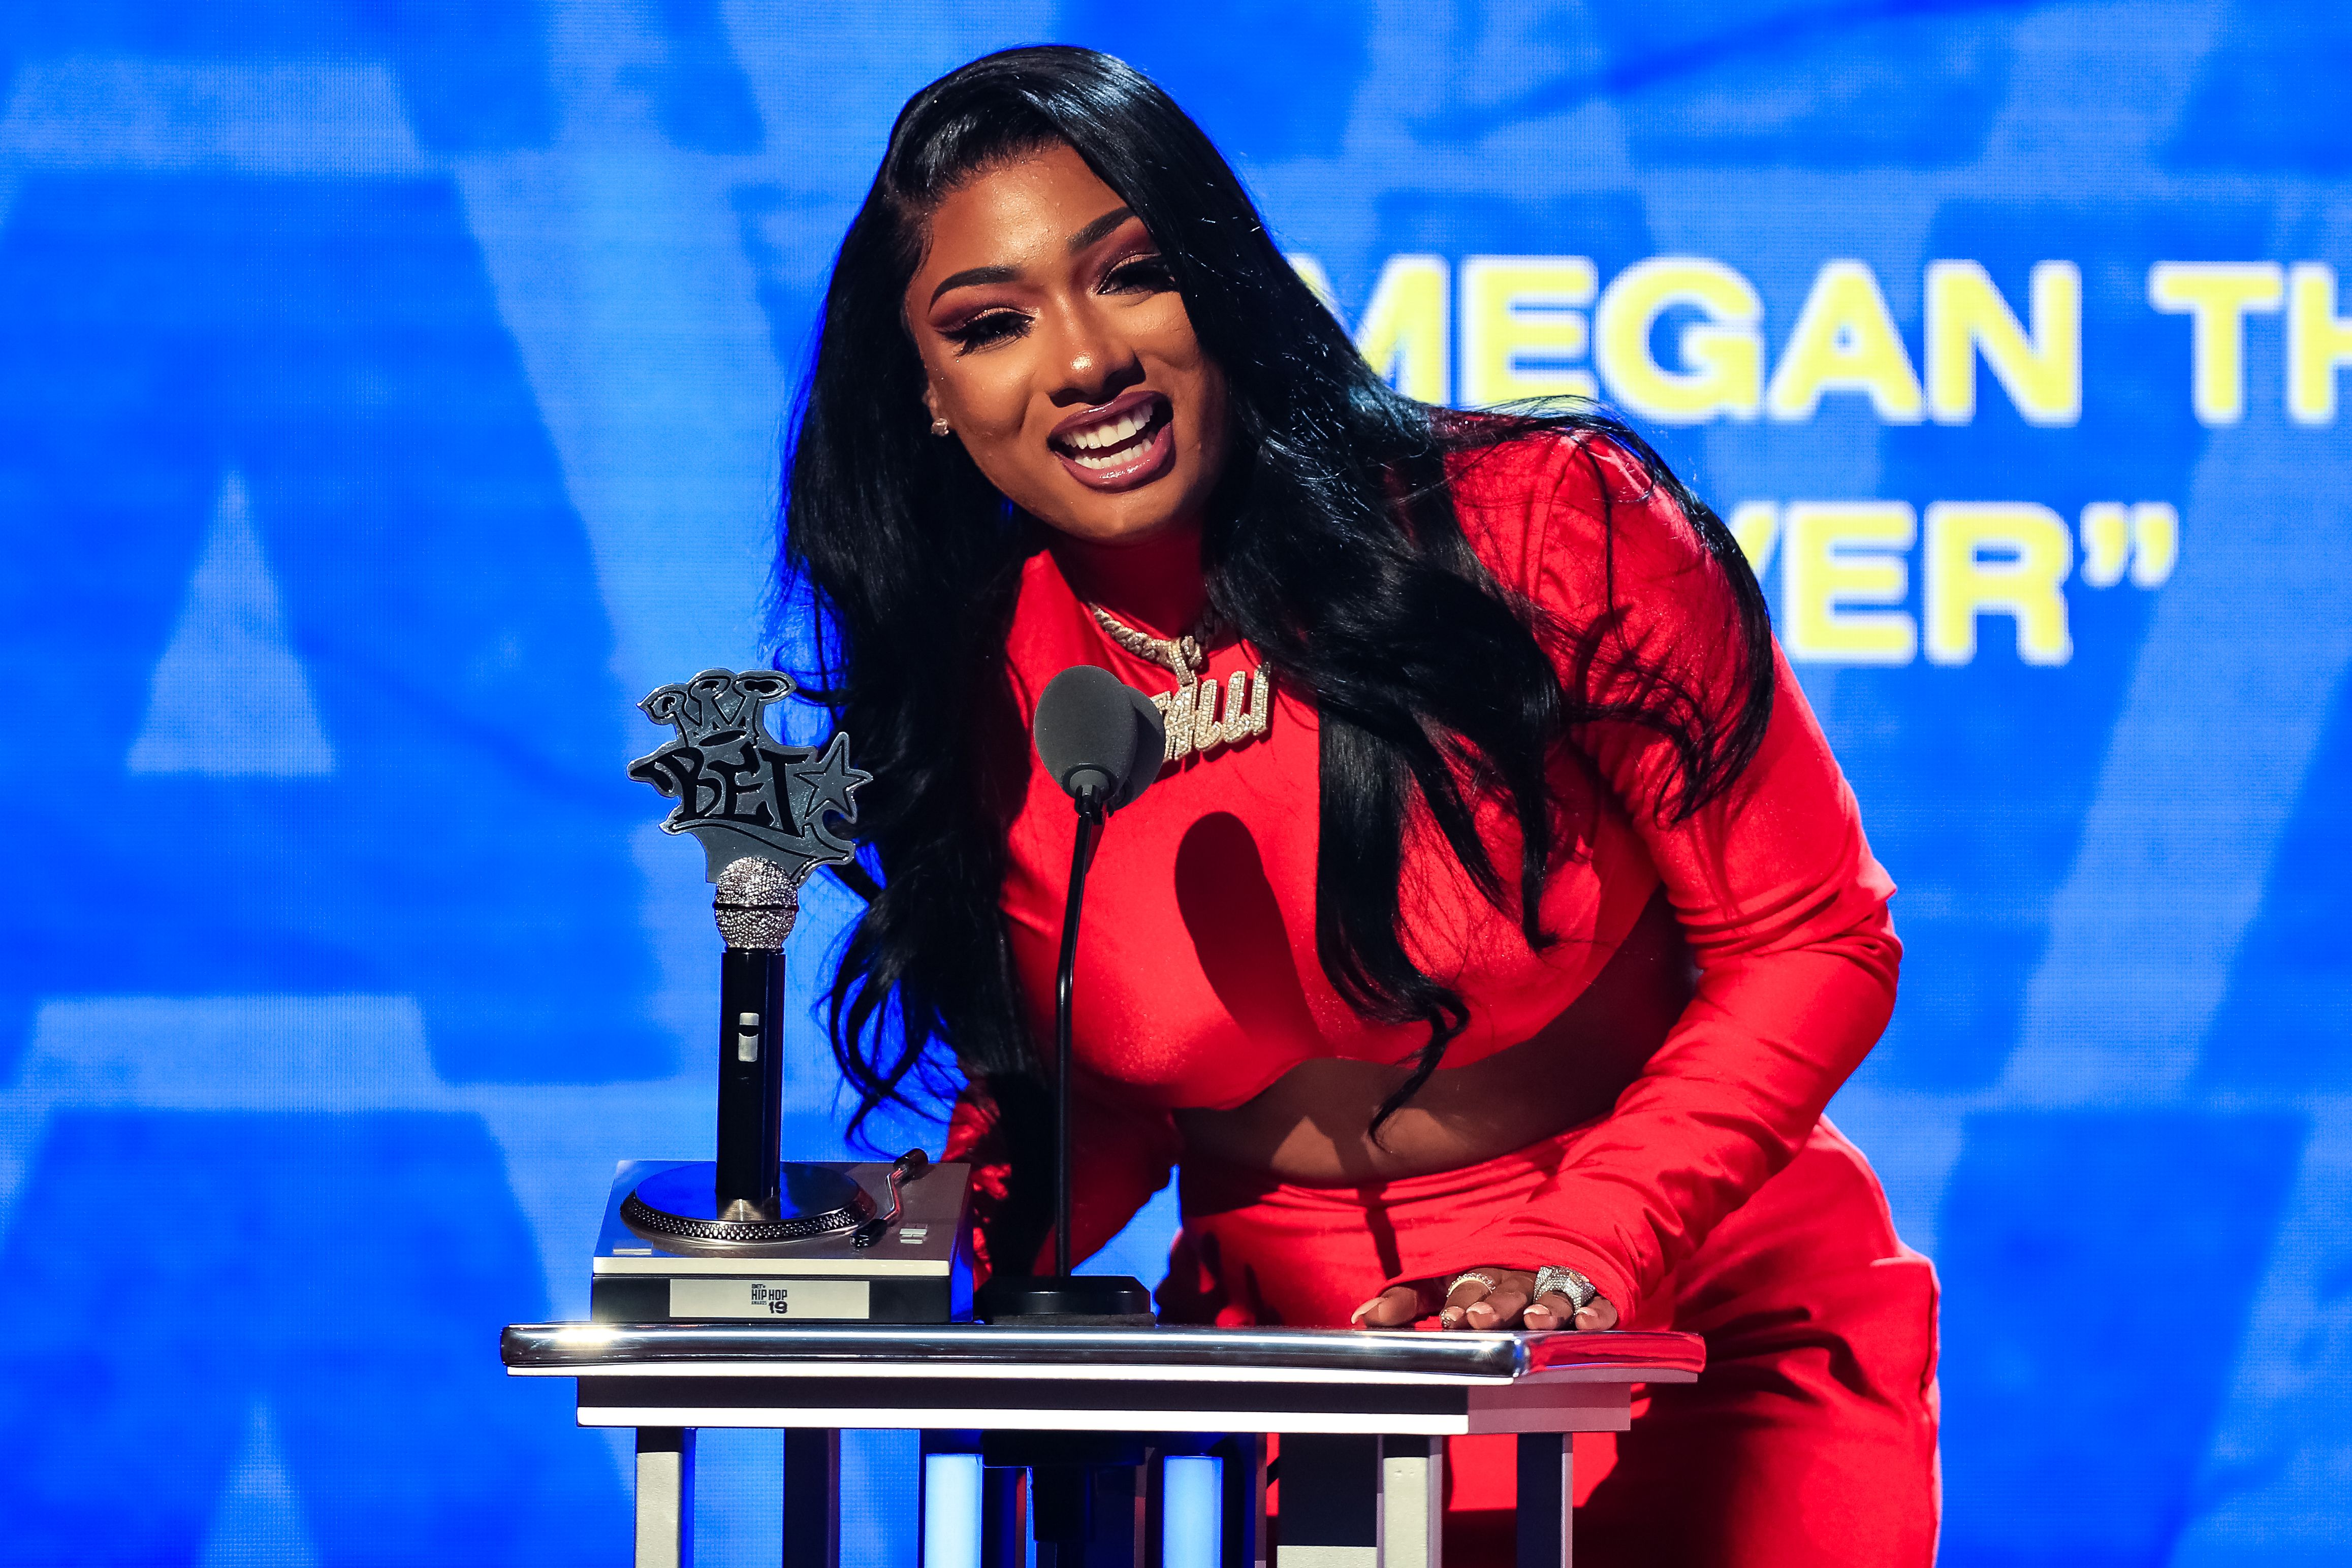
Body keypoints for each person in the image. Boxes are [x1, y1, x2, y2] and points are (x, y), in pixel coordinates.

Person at [779, 45, 1938, 1566]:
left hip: (1691, 1321)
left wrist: (1590, 1241)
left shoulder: (1539, 527)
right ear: (928, 395)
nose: (1083, 362)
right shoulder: (970, 685)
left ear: (1223, 284)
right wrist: (927, 1244)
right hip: (1305, 1382)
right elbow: (1111, 1088)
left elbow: (1814, 939)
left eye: (1132, 276)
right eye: (992, 325)